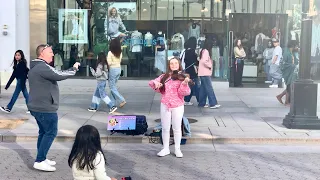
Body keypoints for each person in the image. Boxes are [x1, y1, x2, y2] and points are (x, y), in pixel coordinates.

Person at [28, 44, 80, 172]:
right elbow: (59, 74)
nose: (52, 54)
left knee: (43, 132)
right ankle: (39, 160)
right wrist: (73, 68)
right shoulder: (42, 67)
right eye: (50, 52)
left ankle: (42, 158)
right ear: (42, 53)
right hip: (45, 108)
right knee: (50, 132)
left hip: (38, 106)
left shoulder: (38, 66)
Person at [149, 57, 191, 158]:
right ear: (169, 65)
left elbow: (185, 92)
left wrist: (184, 83)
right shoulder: (164, 76)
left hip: (177, 106)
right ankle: (165, 148)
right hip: (165, 105)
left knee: (177, 128)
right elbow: (152, 83)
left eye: (176, 63)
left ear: (179, 64)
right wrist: (156, 84)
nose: (174, 65)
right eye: (171, 64)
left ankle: (177, 149)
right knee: (165, 128)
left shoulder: (182, 77)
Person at [198, 39, 221, 109]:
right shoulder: (206, 51)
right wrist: (210, 65)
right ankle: (213, 103)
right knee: (209, 88)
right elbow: (204, 61)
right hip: (205, 73)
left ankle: (201, 103)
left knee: (203, 89)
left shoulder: (203, 50)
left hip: (202, 73)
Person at [107, 39, 126, 108]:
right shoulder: (120, 52)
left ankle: (122, 99)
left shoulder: (110, 53)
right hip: (119, 69)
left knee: (112, 87)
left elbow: (109, 63)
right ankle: (113, 104)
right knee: (113, 87)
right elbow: (120, 61)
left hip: (113, 69)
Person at [183, 37, 199, 105]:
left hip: (187, 70)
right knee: (196, 86)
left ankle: (186, 100)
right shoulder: (192, 51)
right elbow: (195, 62)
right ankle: (200, 100)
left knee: (190, 86)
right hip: (193, 71)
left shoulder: (186, 51)